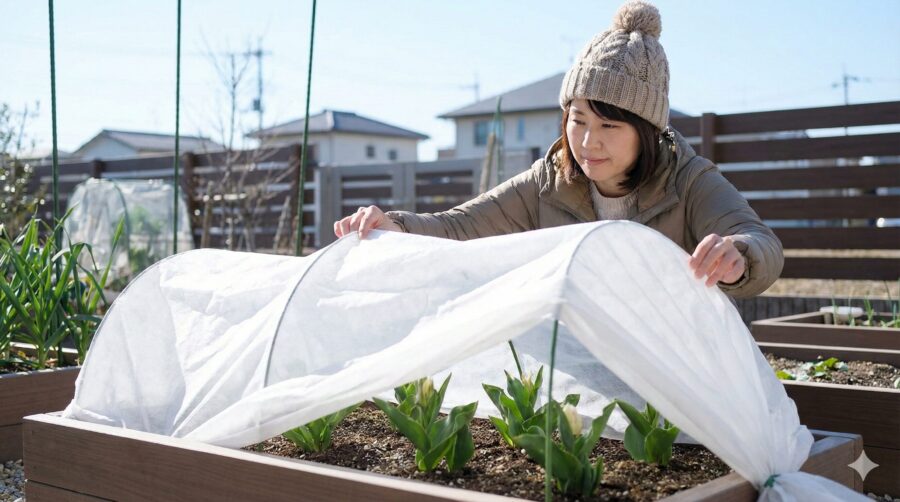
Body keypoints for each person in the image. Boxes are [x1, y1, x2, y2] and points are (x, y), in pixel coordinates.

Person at [334, 0, 783, 299]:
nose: (589, 142)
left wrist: (736, 255)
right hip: (577, 361)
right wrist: (393, 224)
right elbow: (462, 226)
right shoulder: (548, 184)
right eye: (578, 120)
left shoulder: (689, 180)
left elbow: (763, 244)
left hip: (678, 367)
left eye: (609, 125)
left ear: (646, 129)